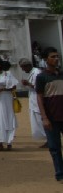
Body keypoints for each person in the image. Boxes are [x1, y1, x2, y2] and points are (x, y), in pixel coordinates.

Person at [36, 46, 63, 182]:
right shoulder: (42, 77)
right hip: (52, 117)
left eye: (57, 56)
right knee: (55, 148)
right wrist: (44, 118)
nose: (56, 59)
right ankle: (60, 174)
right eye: (53, 57)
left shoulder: (61, 74)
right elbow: (39, 98)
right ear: (46, 60)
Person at [21, 57, 47, 145]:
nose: (22, 70)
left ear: (27, 66)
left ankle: (48, 138)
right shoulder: (32, 72)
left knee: (40, 117)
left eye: (23, 67)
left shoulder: (36, 73)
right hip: (32, 97)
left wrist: (28, 83)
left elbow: (39, 86)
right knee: (37, 118)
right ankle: (46, 138)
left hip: (37, 97)